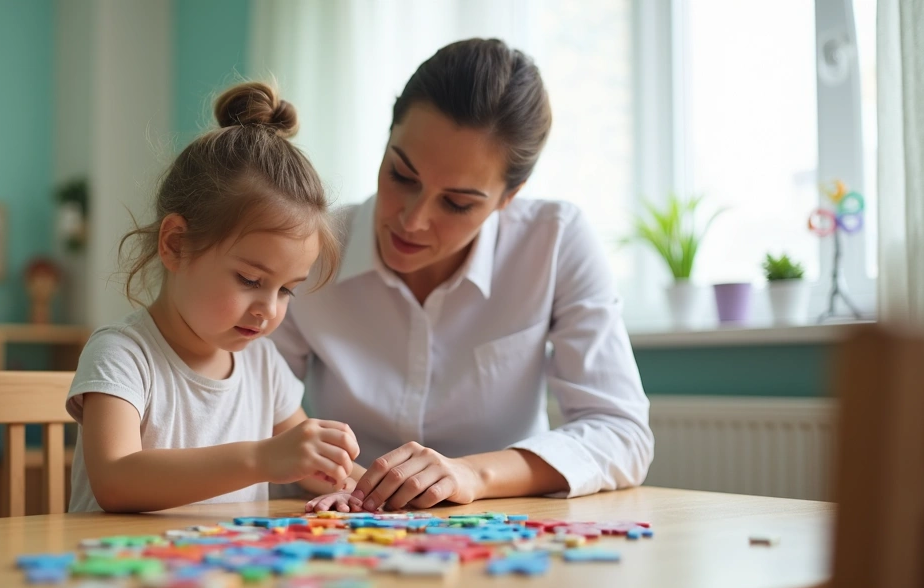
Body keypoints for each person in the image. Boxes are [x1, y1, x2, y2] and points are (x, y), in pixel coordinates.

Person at [270, 39, 654, 513]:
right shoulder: (308, 247)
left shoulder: (554, 241)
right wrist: (348, 483)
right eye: (401, 175)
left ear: (507, 199)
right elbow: (247, 412)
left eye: (457, 203)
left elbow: (621, 431)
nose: (412, 219)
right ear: (387, 140)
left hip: (502, 530)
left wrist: (471, 473)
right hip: (332, 523)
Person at [64, 82, 360, 513]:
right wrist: (262, 457)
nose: (269, 310)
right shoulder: (122, 354)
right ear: (176, 244)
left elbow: (318, 469)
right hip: (121, 573)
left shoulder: (264, 365)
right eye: (249, 279)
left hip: (222, 574)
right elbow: (115, 479)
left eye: (287, 290)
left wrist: (372, 483)